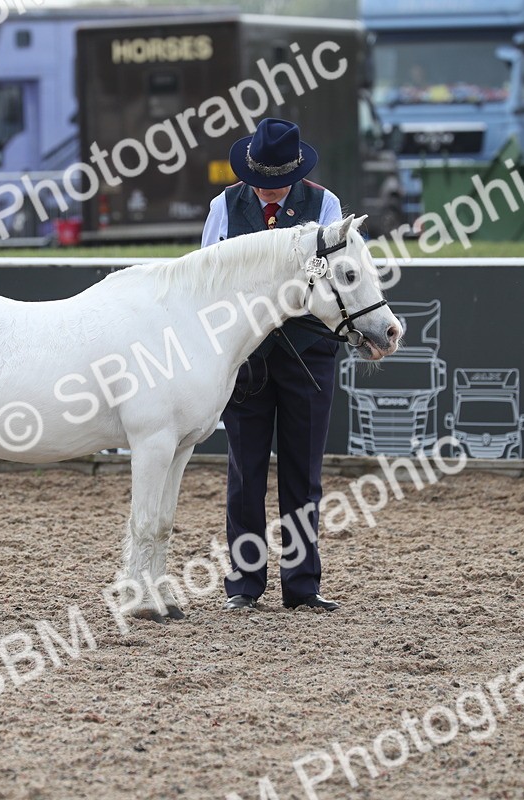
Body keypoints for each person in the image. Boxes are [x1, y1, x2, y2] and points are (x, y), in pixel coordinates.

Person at [200, 117, 343, 612]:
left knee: (303, 473)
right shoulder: (225, 206)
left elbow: (329, 280)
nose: (267, 191)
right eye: (261, 182)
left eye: (276, 182)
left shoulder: (325, 205)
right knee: (245, 473)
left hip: (308, 353)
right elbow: (207, 276)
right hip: (247, 359)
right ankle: (243, 584)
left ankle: (303, 587)